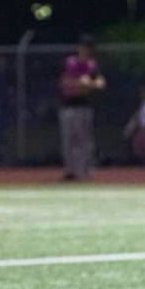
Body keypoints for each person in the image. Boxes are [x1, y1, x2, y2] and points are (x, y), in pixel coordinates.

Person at [59, 34, 106, 180]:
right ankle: (70, 171)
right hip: (68, 106)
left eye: (89, 48)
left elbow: (100, 83)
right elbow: (65, 84)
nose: (86, 51)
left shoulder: (92, 65)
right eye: (84, 47)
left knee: (84, 140)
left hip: (84, 106)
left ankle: (84, 171)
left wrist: (86, 85)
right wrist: (82, 84)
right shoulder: (70, 62)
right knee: (69, 140)